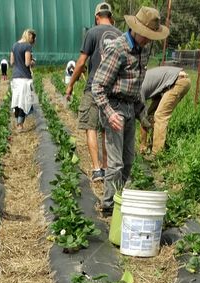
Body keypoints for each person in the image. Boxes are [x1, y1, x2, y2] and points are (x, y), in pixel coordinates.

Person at [91, 7, 168, 216]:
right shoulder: (118, 49)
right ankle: (108, 206)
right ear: (137, 29)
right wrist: (109, 113)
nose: (150, 40)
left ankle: (119, 199)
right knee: (115, 163)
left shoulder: (142, 50)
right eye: (148, 36)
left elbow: (135, 88)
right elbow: (97, 86)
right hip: (114, 107)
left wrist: (143, 115)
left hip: (130, 108)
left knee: (128, 161)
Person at [65, 2, 121, 182]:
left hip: (94, 88)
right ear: (110, 17)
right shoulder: (120, 35)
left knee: (91, 127)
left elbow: (81, 63)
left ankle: (97, 170)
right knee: (106, 130)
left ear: (97, 17)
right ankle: (107, 167)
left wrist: (70, 85)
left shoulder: (92, 32)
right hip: (113, 90)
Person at [139, 65, 190, 156]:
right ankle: (153, 144)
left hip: (179, 81)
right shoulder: (142, 81)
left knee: (159, 116)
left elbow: (143, 118)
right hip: (177, 80)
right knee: (150, 115)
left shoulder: (138, 88)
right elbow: (148, 113)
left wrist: (142, 145)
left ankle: (157, 154)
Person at [10, 29, 36, 131]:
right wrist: (33, 62)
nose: (33, 41)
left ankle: (17, 123)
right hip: (24, 78)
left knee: (16, 100)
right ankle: (20, 125)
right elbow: (27, 63)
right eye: (33, 38)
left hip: (15, 77)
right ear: (30, 36)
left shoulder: (14, 45)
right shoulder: (27, 46)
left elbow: (11, 62)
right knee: (23, 102)